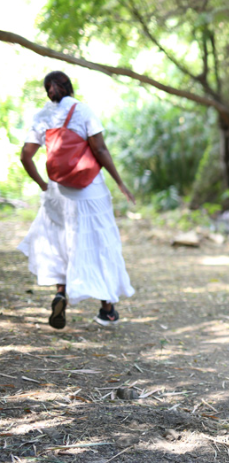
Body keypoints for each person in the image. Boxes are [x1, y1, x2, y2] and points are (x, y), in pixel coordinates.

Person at [18, 71, 135, 329]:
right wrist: (119, 182)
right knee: (99, 241)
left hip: (58, 192)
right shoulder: (83, 111)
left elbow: (26, 156)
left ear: (47, 90)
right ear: (69, 88)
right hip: (89, 190)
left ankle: (61, 292)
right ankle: (107, 309)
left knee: (62, 241)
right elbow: (100, 149)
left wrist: (42, 184)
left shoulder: (42, 116)